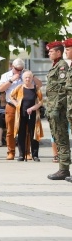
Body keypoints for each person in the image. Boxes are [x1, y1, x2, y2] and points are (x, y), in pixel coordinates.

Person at [0, 58, 42, 160]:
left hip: (25, 107)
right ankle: (11, 152)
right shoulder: (6, 75)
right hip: (12, 106)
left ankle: (26, 152)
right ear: (11, 67)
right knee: (11, 130)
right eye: (17, 69)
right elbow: (0, 89)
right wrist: (11, 80)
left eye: (21, 69)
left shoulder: (25, 74)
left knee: (26, 130)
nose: (19, 71)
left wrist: (30, 74)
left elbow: (39, 85)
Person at [47, 40, 71, 180]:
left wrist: (56, 108)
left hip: (59, 109)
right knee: (58, 137)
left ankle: (64, 168)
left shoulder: (62, 66)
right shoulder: (55, 66)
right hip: (52, 108)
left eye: (51, 51)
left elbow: (62, 90)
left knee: (62, 138)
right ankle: (63, 168)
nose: (49, 53)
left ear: (58, 52)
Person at [10, 70, 43, 161]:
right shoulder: (19, 87)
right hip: (21, 114)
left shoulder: (36, 88)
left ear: (32, 78)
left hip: (33, 114)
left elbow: (41, 101)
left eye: (29, 77)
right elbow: (11, 96)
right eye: (26, 77)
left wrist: (33, 108)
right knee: (21, 134)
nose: (27, 79)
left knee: (34, 134)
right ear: (23, 79)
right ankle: (21, 154)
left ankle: (35, 155)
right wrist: (16, 104)